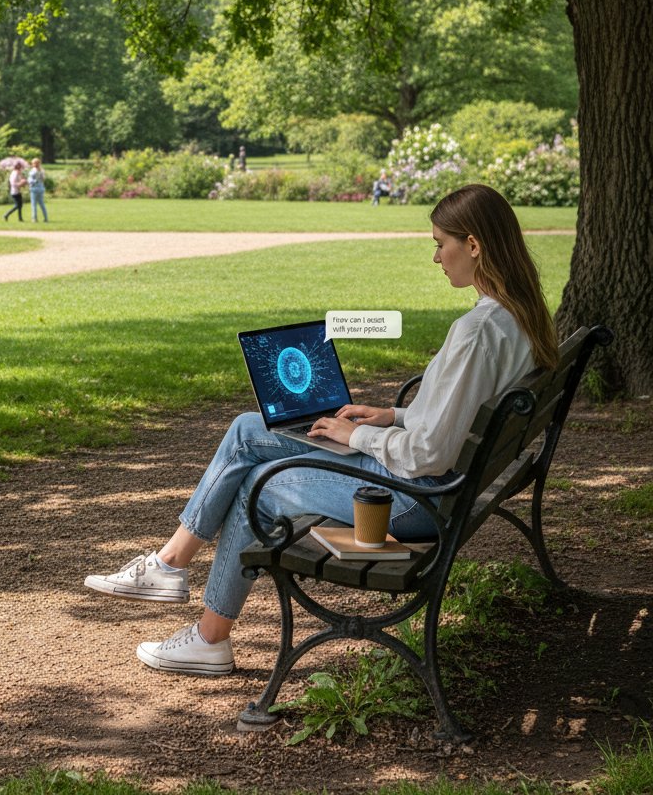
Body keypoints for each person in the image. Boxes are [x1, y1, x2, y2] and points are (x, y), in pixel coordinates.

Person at [84, 184, 558, 676]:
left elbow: (428, 454)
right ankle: (171, 567)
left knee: (258, 483)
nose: (436, 257)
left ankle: (204, 631)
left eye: (441, 243)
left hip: (412, 499)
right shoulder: (517, 317)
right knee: (249, 428)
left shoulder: (476, 332)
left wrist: (354, 437)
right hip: (438, 485)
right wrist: (390, 416)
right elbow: (453, 418)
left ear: (475, 245)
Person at [27, 158, 49, 223]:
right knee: (42, 204)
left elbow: (30, 180)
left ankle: (34, 218)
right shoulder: (42, 170)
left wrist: (30, 182)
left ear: (34, 164)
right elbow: (43, 179)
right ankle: (46, 218)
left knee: (33, 205)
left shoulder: (33, 171)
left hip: (34, 188)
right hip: (41, 188)